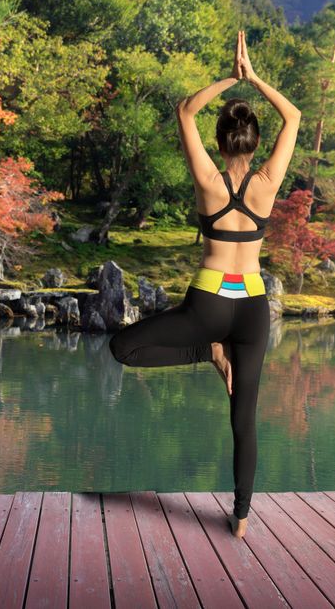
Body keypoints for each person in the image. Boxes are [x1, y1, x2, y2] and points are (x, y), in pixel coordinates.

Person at [108, 30, 301, 539]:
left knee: (123, 349)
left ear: (220, 143)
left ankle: (205, 353)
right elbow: (295, 117)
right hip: (255, 307)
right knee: (245, 418)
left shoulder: (210, 183)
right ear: (256, 143)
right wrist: (254, 76)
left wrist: (229, 77)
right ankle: (240, 518)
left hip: (209, 306)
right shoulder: (266, 185)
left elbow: (185, 111)